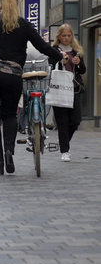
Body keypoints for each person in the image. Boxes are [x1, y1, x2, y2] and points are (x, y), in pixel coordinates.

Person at [0, 0, 67, 175]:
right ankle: (9, 150)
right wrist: (60, 56)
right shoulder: (23, 24)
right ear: (17, 4)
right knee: (10, 115)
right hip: (12, 77)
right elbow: (42, 46)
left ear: (0, 4)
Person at [48, 24, 86, 162]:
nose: (66, 38)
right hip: (59, 88)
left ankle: (64, 143)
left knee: (75, 120)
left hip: (73, 88)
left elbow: (83, 70)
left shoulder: (76, 51)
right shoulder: (54, 50)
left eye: (69, 35)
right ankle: (65, 150)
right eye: (64, 35)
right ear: (58, 37)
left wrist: (78, 62)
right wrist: (60, 59)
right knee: (62, 121)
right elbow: (50, 65)